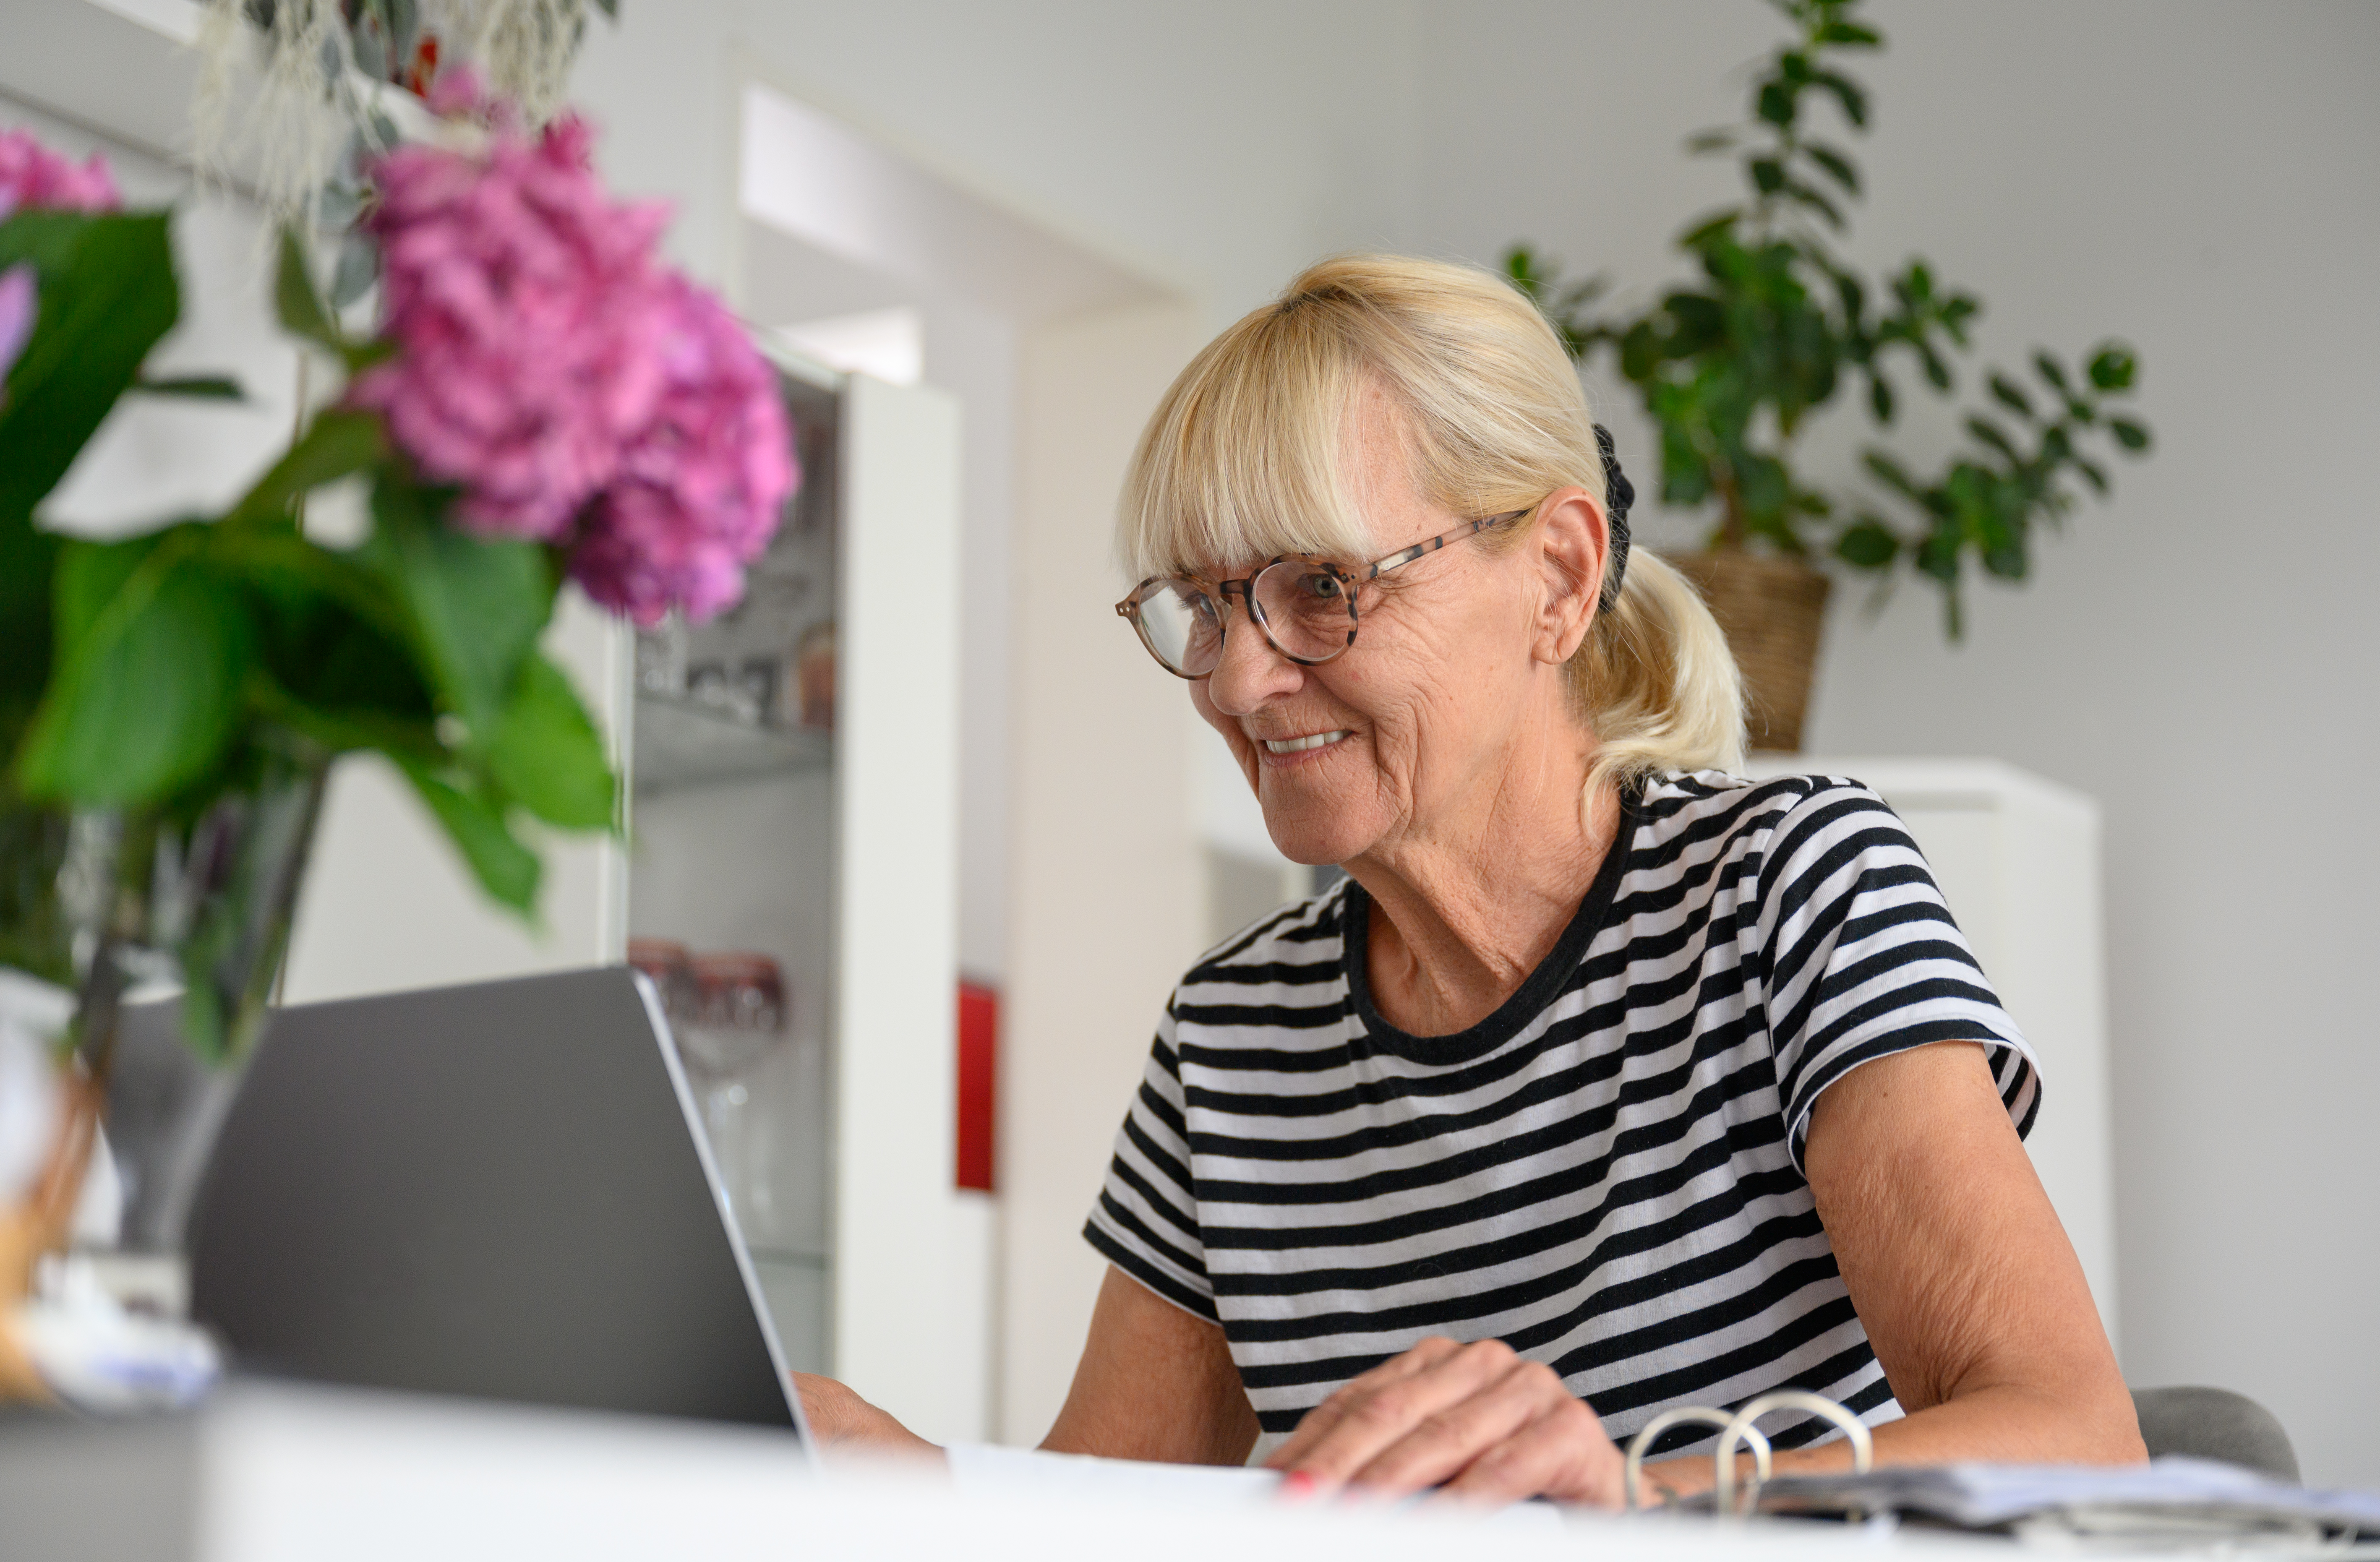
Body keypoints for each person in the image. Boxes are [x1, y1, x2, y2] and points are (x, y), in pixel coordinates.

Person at [797, 254, 2144, 1506]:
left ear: (1558, 577)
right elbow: (1112, 1514)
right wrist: (910, 1484)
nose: (1242, 679)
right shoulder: (1232, 1039)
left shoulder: (1791, 889)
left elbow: (2073, 1441)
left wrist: (1620, 1504)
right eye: (1205, 607)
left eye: (1320, 586)